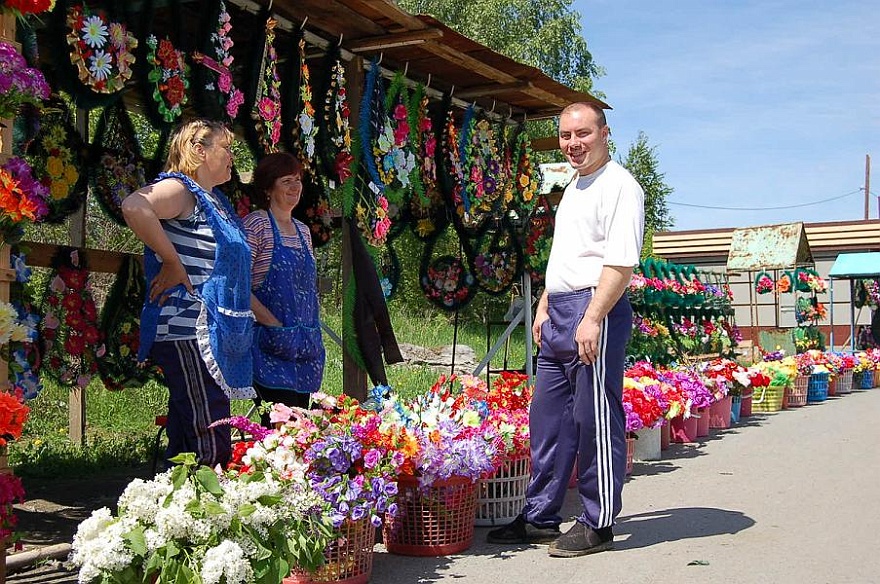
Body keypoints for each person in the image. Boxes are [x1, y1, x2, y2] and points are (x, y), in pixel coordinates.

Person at [487, 102, 645, 557]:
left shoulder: (620, 186)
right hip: (559, 307)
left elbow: (620, 262)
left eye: (583, 134)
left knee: (594, 417)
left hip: (594, 307)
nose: (574, 144)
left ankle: (598, 521)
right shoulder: (574, 185)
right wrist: (543, 304)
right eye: (565, 136)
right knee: (549, 419)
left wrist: (593, 316)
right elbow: (565, 255)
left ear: (604, 133)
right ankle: (539, 516)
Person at [122, 118, 254, 469]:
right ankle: (209, 515)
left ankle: (169, 514)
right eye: (225, 148)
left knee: (186, 437)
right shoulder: (181, 189)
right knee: (209, 437)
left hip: (210, 335)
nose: (231, 157)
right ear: (198, 149)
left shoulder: (217, 202)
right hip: (188, 331)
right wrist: (171, 260)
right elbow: (135, 206)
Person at [243, 152, 325, 420]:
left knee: (304, 425)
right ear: (268, 188)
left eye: (298, 180)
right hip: (269, 345)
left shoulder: (303, 231)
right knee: (281, 427)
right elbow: (238, 286)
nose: (295, 187)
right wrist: (273, 324)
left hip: (303, 347)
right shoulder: (256, 224)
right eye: (286, 181)